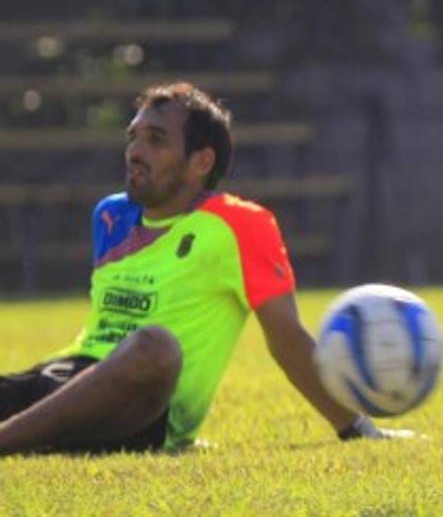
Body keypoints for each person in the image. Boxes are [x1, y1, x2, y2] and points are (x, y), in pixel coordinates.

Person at [0, 82, 400, 454]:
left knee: (154, 346)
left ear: (201, 162)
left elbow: (287, 339)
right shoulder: (111, 215)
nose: (135, 151)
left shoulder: (243, 225)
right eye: (133, 137)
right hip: (62, 381)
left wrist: (355, 426)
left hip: (143, 405)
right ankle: (33, 431)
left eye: (156, 140)